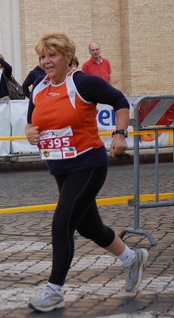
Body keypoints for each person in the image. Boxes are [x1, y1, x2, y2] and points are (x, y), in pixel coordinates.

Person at [24, 32, 148, 312]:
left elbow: (120, 102)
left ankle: (54, 292)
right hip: (60, 167)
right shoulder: (39, 88)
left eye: (52, 55)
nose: (46, 61)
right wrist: (30, 132)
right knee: (88, 226)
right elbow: (31, 122)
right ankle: (132, 258)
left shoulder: (82, 82)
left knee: (62, 223)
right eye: (42, 56)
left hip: (88, 164)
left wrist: (119, 133)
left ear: (67, 56)